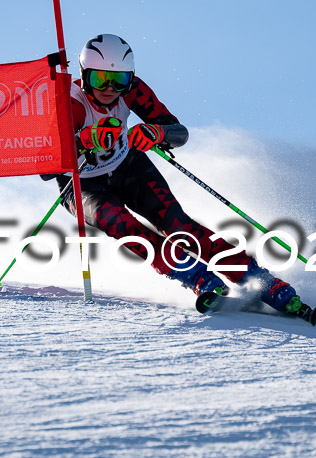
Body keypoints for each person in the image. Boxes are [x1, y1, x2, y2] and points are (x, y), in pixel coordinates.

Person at [52, 33, 300, 315]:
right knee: (121, 224)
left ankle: (259, 280)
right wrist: (85, 140)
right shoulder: (69, 104)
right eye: (99, 79)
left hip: (126, 164)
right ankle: (197, 278)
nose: (110, 89)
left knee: (178, 226)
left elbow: (179, 133)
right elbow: (46, 168)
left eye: (119, 80)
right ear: (84, 76)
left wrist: (157, 133)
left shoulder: (133, 90)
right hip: (82, 183)